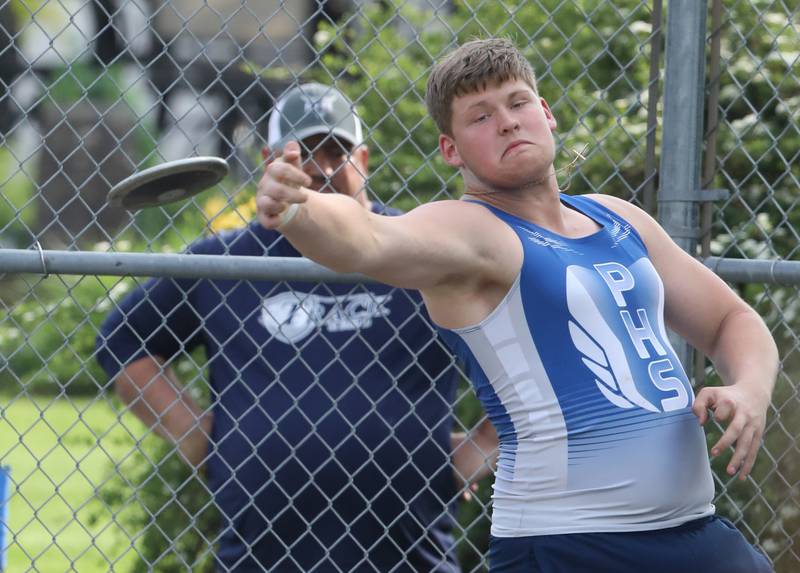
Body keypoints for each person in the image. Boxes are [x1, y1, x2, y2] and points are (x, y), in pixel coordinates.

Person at [255, 40, 779, 573]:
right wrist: (299, 210)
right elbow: (368, 239)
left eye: (518, 102)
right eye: (480, 116)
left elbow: (730, 320)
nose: (507, 122)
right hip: (569, 545)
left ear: (546, 114)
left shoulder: (618, 218)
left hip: (695, 532)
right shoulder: (476, 232)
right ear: (451, 150)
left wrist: (750, 389)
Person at [95, 82, 497, 573]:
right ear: (269, 161)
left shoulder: (416, 248)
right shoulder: (224, 263)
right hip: (261, 556)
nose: (322, 168)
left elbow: (525, 334)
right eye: (303, 151)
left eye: (337, 151)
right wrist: (198, 438)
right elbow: (122, 339)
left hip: (408, 553)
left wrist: (483, 446)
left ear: (363, 160)